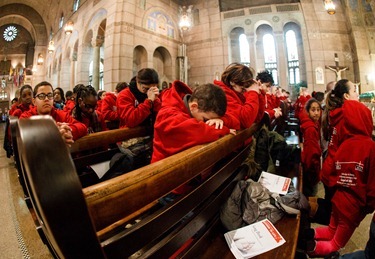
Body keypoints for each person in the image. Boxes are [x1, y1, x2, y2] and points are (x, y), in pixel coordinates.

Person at [307, 100, 375, 258]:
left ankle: (308, 235)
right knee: (336, 243)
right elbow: (372, 184)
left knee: (331, 229)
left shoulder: (344, 145)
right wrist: (368, 207)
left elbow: (334, 173)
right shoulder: (370, 147)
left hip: (338, 199)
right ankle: (309, 249)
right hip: (353, 206)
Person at [152, 80, 235, 163]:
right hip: (164, 170)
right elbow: (199, 133)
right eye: (206, 120)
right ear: (193, 106)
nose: (210, 123)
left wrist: (221, 121)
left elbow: (235, 121)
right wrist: (223, 129)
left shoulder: (197, 106)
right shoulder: (168, 115)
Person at [20, 81, 87, 145]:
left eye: (50, 95)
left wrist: (69, 131)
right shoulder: (26, 117)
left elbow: (83, 127)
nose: (46, 99)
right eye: (41, 96)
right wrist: (55, 134)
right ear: (34, 101)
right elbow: (24, 136)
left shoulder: (59, 114)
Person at [213, 63, 262, 130]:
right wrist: (253, 93)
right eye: (242, 88)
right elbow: (245, 121)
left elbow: (257, 118)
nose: (244, 91)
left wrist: (260, 94)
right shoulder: (222, 94)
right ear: (232, 82)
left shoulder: (236, 92)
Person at [299, 98, 322, 197]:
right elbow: (311, 153)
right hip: (311, 170)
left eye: (318, 110)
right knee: (312, 195)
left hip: (310, 167)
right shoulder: (310, 129)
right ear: (308, 112)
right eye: (313, 110)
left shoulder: (313, 125)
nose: (316, 113)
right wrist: (314, 173)